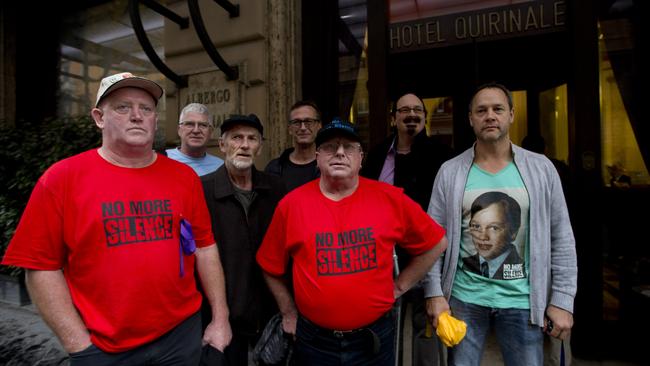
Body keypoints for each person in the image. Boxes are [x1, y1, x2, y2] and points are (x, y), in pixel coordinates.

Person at [1, 72, 232, 365]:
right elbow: (40, 267)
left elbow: (204, 247)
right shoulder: (61, 180)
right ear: (99, 117)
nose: (137, 116)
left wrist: (220, 318)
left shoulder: (184, 177)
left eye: (146, 109)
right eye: (123, 107)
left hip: (181, 336)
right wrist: (79, 345)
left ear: (154, 119)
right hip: (105, 348)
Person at [256, 119, 449, 365]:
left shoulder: (390, 199)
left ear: (360, 158)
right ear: (317, 157)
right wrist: (287, 310)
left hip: (374, 339)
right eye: (329, 147)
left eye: (348, 147)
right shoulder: (291, 205)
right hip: (313, 341)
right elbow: (269, 264)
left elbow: (436, 243)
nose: (339, 152)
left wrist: (400, 286)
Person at [423, 82, 577, 366]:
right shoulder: (450, 172)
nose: (490, 116)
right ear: (471, 118)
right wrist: (434, 293)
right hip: (463, 300)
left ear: (511, 115)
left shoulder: (541, 169)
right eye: (481, 110)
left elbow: (562, 238)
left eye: (497, 109)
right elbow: (433, 239)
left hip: (523, 302)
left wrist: (562, 300)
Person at [361, 92, 452, 366]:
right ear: (393, 118)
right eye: (404, 110)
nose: (411, 115)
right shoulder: (377, 154)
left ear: (424, 117)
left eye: (417, 110)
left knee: (426, 321)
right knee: (384, 319)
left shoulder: (441, 155)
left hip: (427, 253)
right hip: (383, 254)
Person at [200, 114, 287, 365]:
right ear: (222, 144)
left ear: (260, 146)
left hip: (270, 316)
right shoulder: (201, 190)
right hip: (222, 320)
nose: (245, 145)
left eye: (252, 139)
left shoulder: (276, 189)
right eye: (237, 138)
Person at [463, 191, 525, 280]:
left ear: (513, 233)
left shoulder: (521, 267)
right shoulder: (465, 265)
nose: (482, 237)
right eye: (476, 226)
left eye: (494, 228)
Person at [265, 100, 322, 191]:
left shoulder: (329, 166)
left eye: (308, 122)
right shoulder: (274, 168)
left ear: (319, 126)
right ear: (290, 129)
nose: (303, 128)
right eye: (296, 122)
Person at [166, 102, 224, 176]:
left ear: (211, 132)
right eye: (189, 124)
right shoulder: (162, 159)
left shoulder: (220, 167)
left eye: (203, 125)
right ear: (179, 130)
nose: (196, 130)